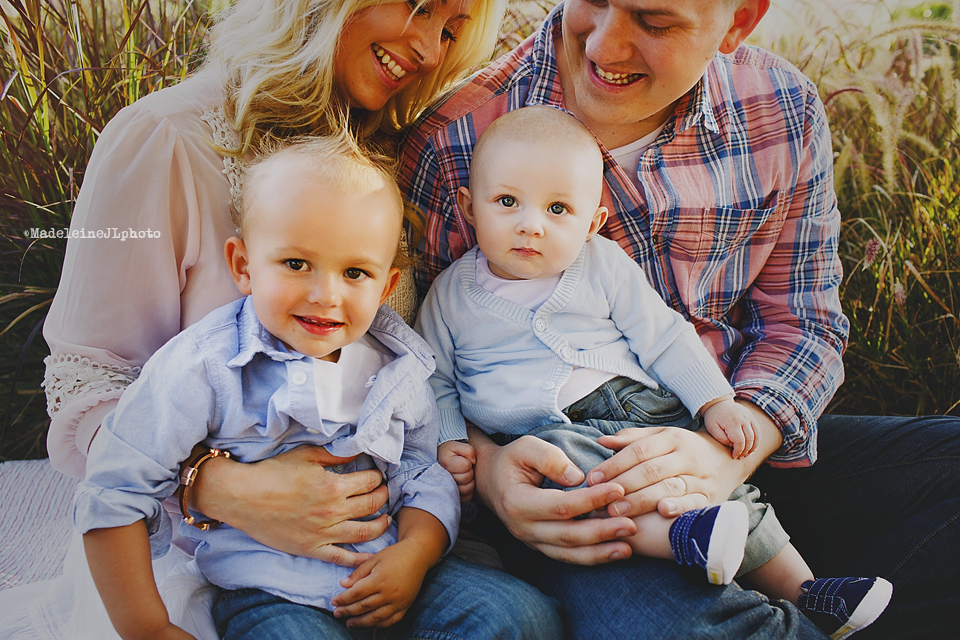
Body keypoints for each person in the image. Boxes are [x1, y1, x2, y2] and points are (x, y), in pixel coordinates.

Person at [397, 0, 960, 638]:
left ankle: (801, 598)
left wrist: (728, 441)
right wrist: (490, 475)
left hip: (727, 446)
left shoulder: (780, 108)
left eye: (655, 21)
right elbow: (416, 372)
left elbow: (805, 323)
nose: (605, 47)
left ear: (740, 20)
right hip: (562, 493)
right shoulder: (454, 138)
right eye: (592, 2)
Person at [1, 0, 563, 638]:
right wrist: (217, 487)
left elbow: (414, 429)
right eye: (421, 7)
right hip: (205, 559)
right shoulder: (161, 138)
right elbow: (88, 384)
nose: (432, 50)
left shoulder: (390, 153)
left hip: (372, 559)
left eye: (451, 31)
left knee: (512, 617)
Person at [77, 136, 562, 640]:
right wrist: (147, 627)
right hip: (272, 591)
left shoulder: (398, 365)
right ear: (243, 266)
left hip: (390, 573)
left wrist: (414, 556)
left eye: (355, 272)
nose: (325, 294)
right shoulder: (203, 366)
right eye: (296, 264)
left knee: (519, 617)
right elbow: (116, 488)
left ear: (385, 285)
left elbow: (423, 471)